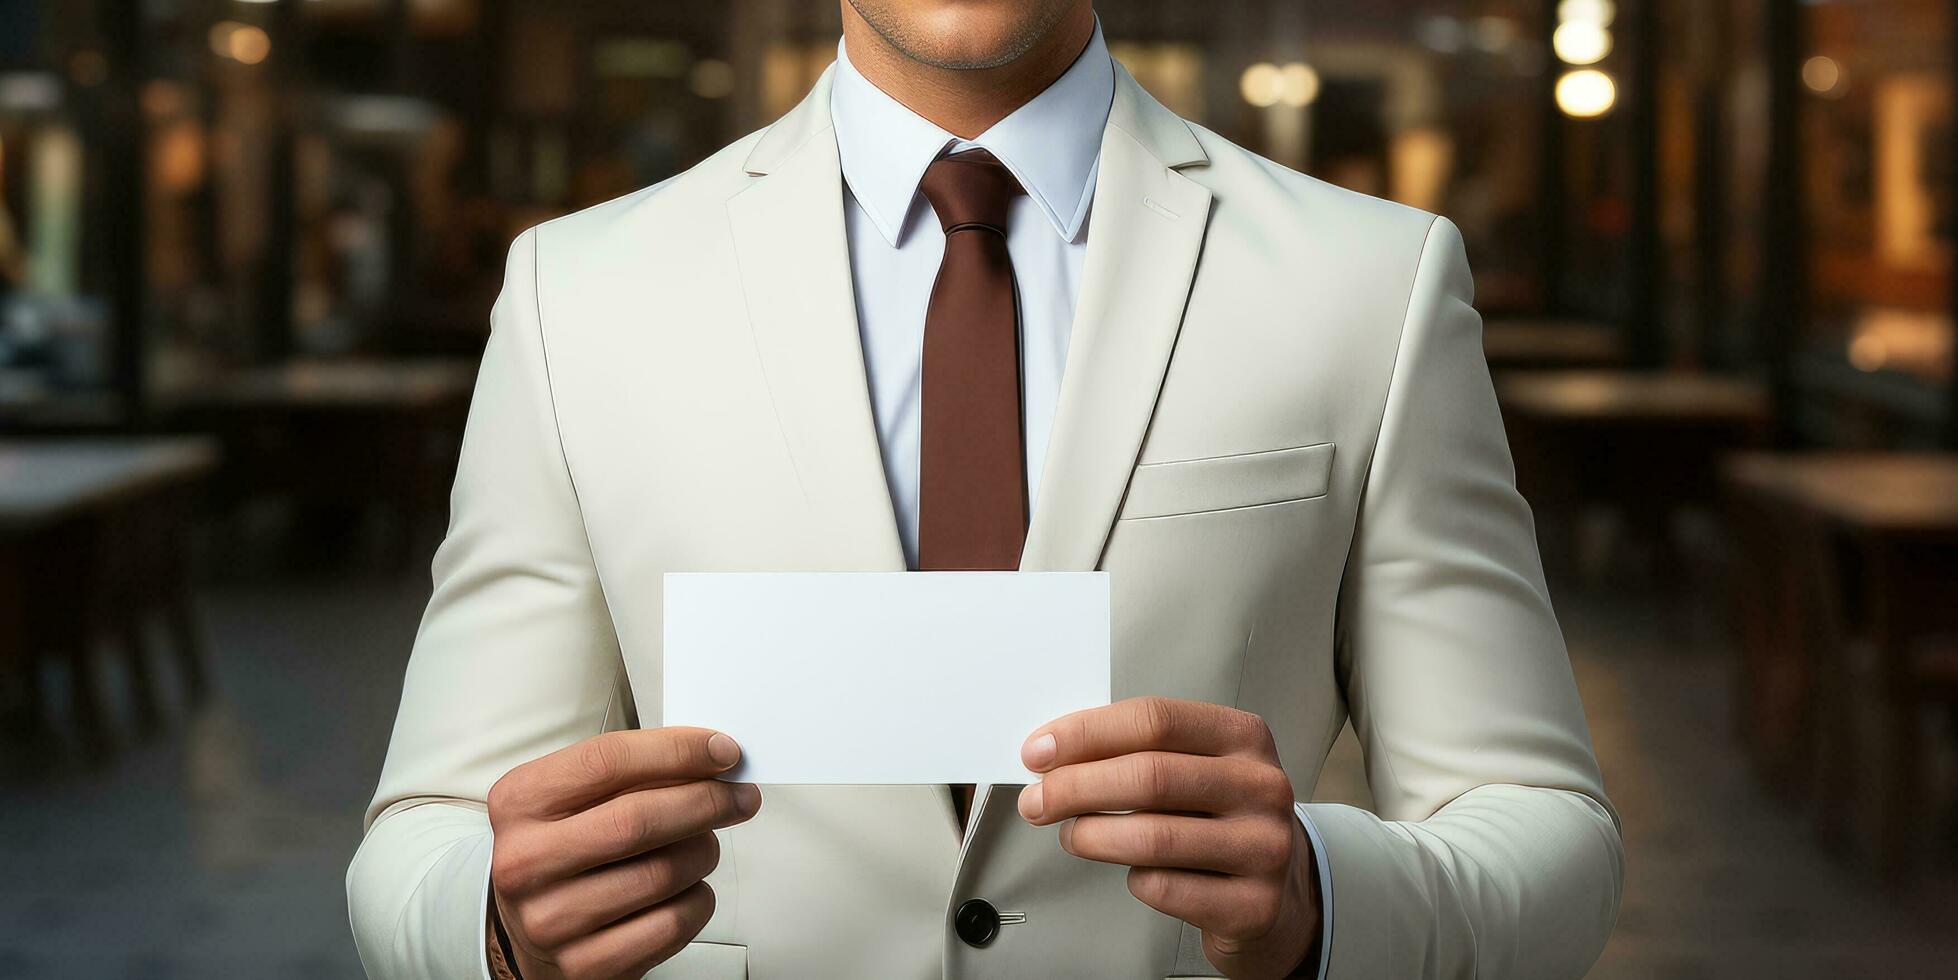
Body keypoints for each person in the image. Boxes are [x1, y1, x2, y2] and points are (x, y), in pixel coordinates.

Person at [346, 2, 1624, 978]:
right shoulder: (579, 295)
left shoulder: (1368, 283)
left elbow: (1545, 834)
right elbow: (422, 839)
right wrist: (497, 926)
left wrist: (1318, 894)